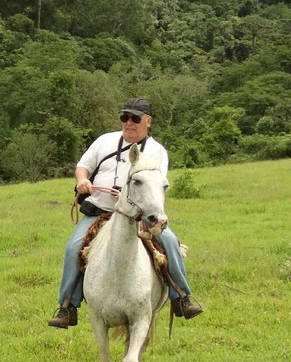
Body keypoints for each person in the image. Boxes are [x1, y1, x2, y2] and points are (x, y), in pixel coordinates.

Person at [48, 97, 202, 329]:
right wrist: (82, 181)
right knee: (73, 248)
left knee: (169, 241)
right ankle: (67, 306)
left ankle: (181, 296)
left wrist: (144, 215)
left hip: (138, 216)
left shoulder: (156, 152)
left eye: (135, 118)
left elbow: (155, 185)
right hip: (100, 213)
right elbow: (83, 166)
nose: (129, 123)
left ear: (147, 121)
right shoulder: (104, 141)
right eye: (125, 118)